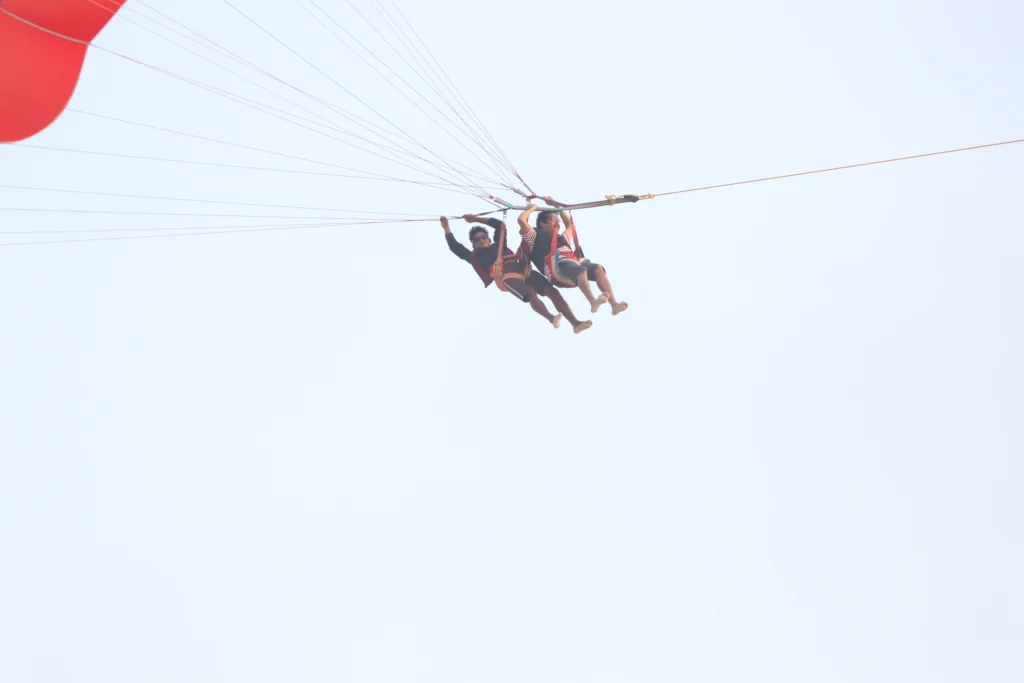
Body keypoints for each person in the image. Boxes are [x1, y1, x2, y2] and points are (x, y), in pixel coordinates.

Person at [441, 214, 593, 333]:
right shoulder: (474, 256)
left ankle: (575, 323)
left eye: (483, 237)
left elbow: (499, 225)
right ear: (473, 245)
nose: (480, 241)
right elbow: (456, 248)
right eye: (476, 240)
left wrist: (476, 219)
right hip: (505, 275)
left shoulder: (499, 245)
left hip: (522, 268)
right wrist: (447, 228)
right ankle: (551, 318)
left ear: (488, 239)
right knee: (530, 292)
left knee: (551, 290)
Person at [518, 198, 628, 315]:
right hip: (554, 266)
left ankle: (614, 305)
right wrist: (531, 209)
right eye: (553, 219)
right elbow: (521, 220)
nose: (557, 223)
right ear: (542, 223)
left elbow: (570, 226)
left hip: (572, 261)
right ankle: (592, 301)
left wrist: (557, 206)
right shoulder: (534, 236)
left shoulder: (562, 238)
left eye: (557, 220)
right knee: (581, 270)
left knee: (597, 269)